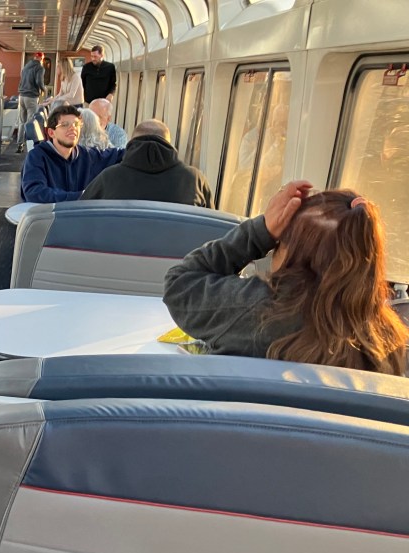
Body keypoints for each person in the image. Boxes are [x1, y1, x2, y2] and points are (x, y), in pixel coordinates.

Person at [163, 181, 407, 374]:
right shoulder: (390, 341)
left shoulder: (257, 309)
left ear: (294, 256)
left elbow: (179, 284)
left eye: (279, 243)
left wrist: (261, 232)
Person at [81, 119, 212, 207]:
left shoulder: (108, 178)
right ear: (169, 143)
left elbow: (82, 215)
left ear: (131, 143)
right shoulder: (194, 180)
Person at [20, 105, 125, 203]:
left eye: (76, 124)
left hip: (79, 220)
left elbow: (121, 155)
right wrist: (82, 196)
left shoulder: (87, 155)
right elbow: (34, 192)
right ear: (51, 133)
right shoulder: (37, 156)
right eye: (65, 125)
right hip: (50, 219)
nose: (73, 128)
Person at [17, 52, 46, 152]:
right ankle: (30, 146)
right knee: (30, 122)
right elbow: (39, 81)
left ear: (35, 57)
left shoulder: (26, 67)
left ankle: (20, 144)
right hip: (31, 97)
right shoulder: (40, 68)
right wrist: (44, 89)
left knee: (21, 121)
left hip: (22, 96)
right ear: (41, 58)